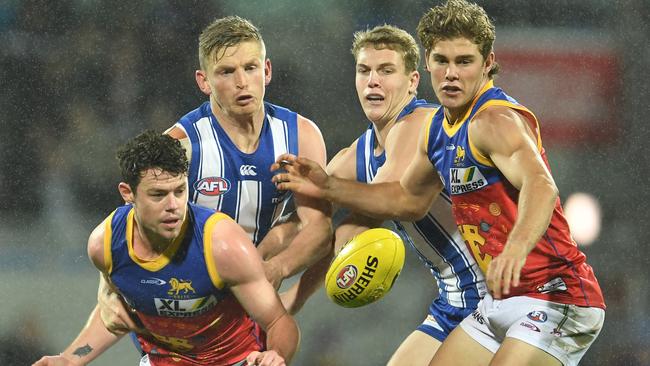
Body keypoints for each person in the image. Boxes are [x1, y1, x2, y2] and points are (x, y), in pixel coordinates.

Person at [271, 1, 606, 365]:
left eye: (464, 62)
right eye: (442, 61)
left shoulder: (493, 121)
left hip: (553, 293)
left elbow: (542, 187)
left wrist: (515, 248)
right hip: (492, 301)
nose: (450, 74)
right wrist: (327, 187)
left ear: (488, 62)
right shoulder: (438, 131)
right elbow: (406, 199)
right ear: (428, 62)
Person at [97, 15, 332, 339]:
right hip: (188, 311)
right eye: (226, 71)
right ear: (203, 81)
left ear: (267, 71)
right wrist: (106, 292)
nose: (241, 82)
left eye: (250, 68)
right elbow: (128, 223)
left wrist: (274, 269)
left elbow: (319, 229)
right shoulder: (181, 144)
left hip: (255, 307)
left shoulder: (300, 136)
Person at [278, 25, 485, 365]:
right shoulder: (354, 157)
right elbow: (309, 227)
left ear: (413, 81)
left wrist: (330, 191)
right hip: (455, 301)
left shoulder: (424, 123)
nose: (373, 80)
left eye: (386, 70)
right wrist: (286, 290)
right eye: (364, 71)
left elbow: (397, 198)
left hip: (500, 295)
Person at [34, 131, 299, 366]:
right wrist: (70, 358)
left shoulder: (223, 245)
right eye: (158, 195)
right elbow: (116, 315)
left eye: (180, 191)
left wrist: (276, 355)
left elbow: (279, 322)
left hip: (235, 361)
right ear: (128, 193)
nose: (173, 205)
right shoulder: (105, 245)